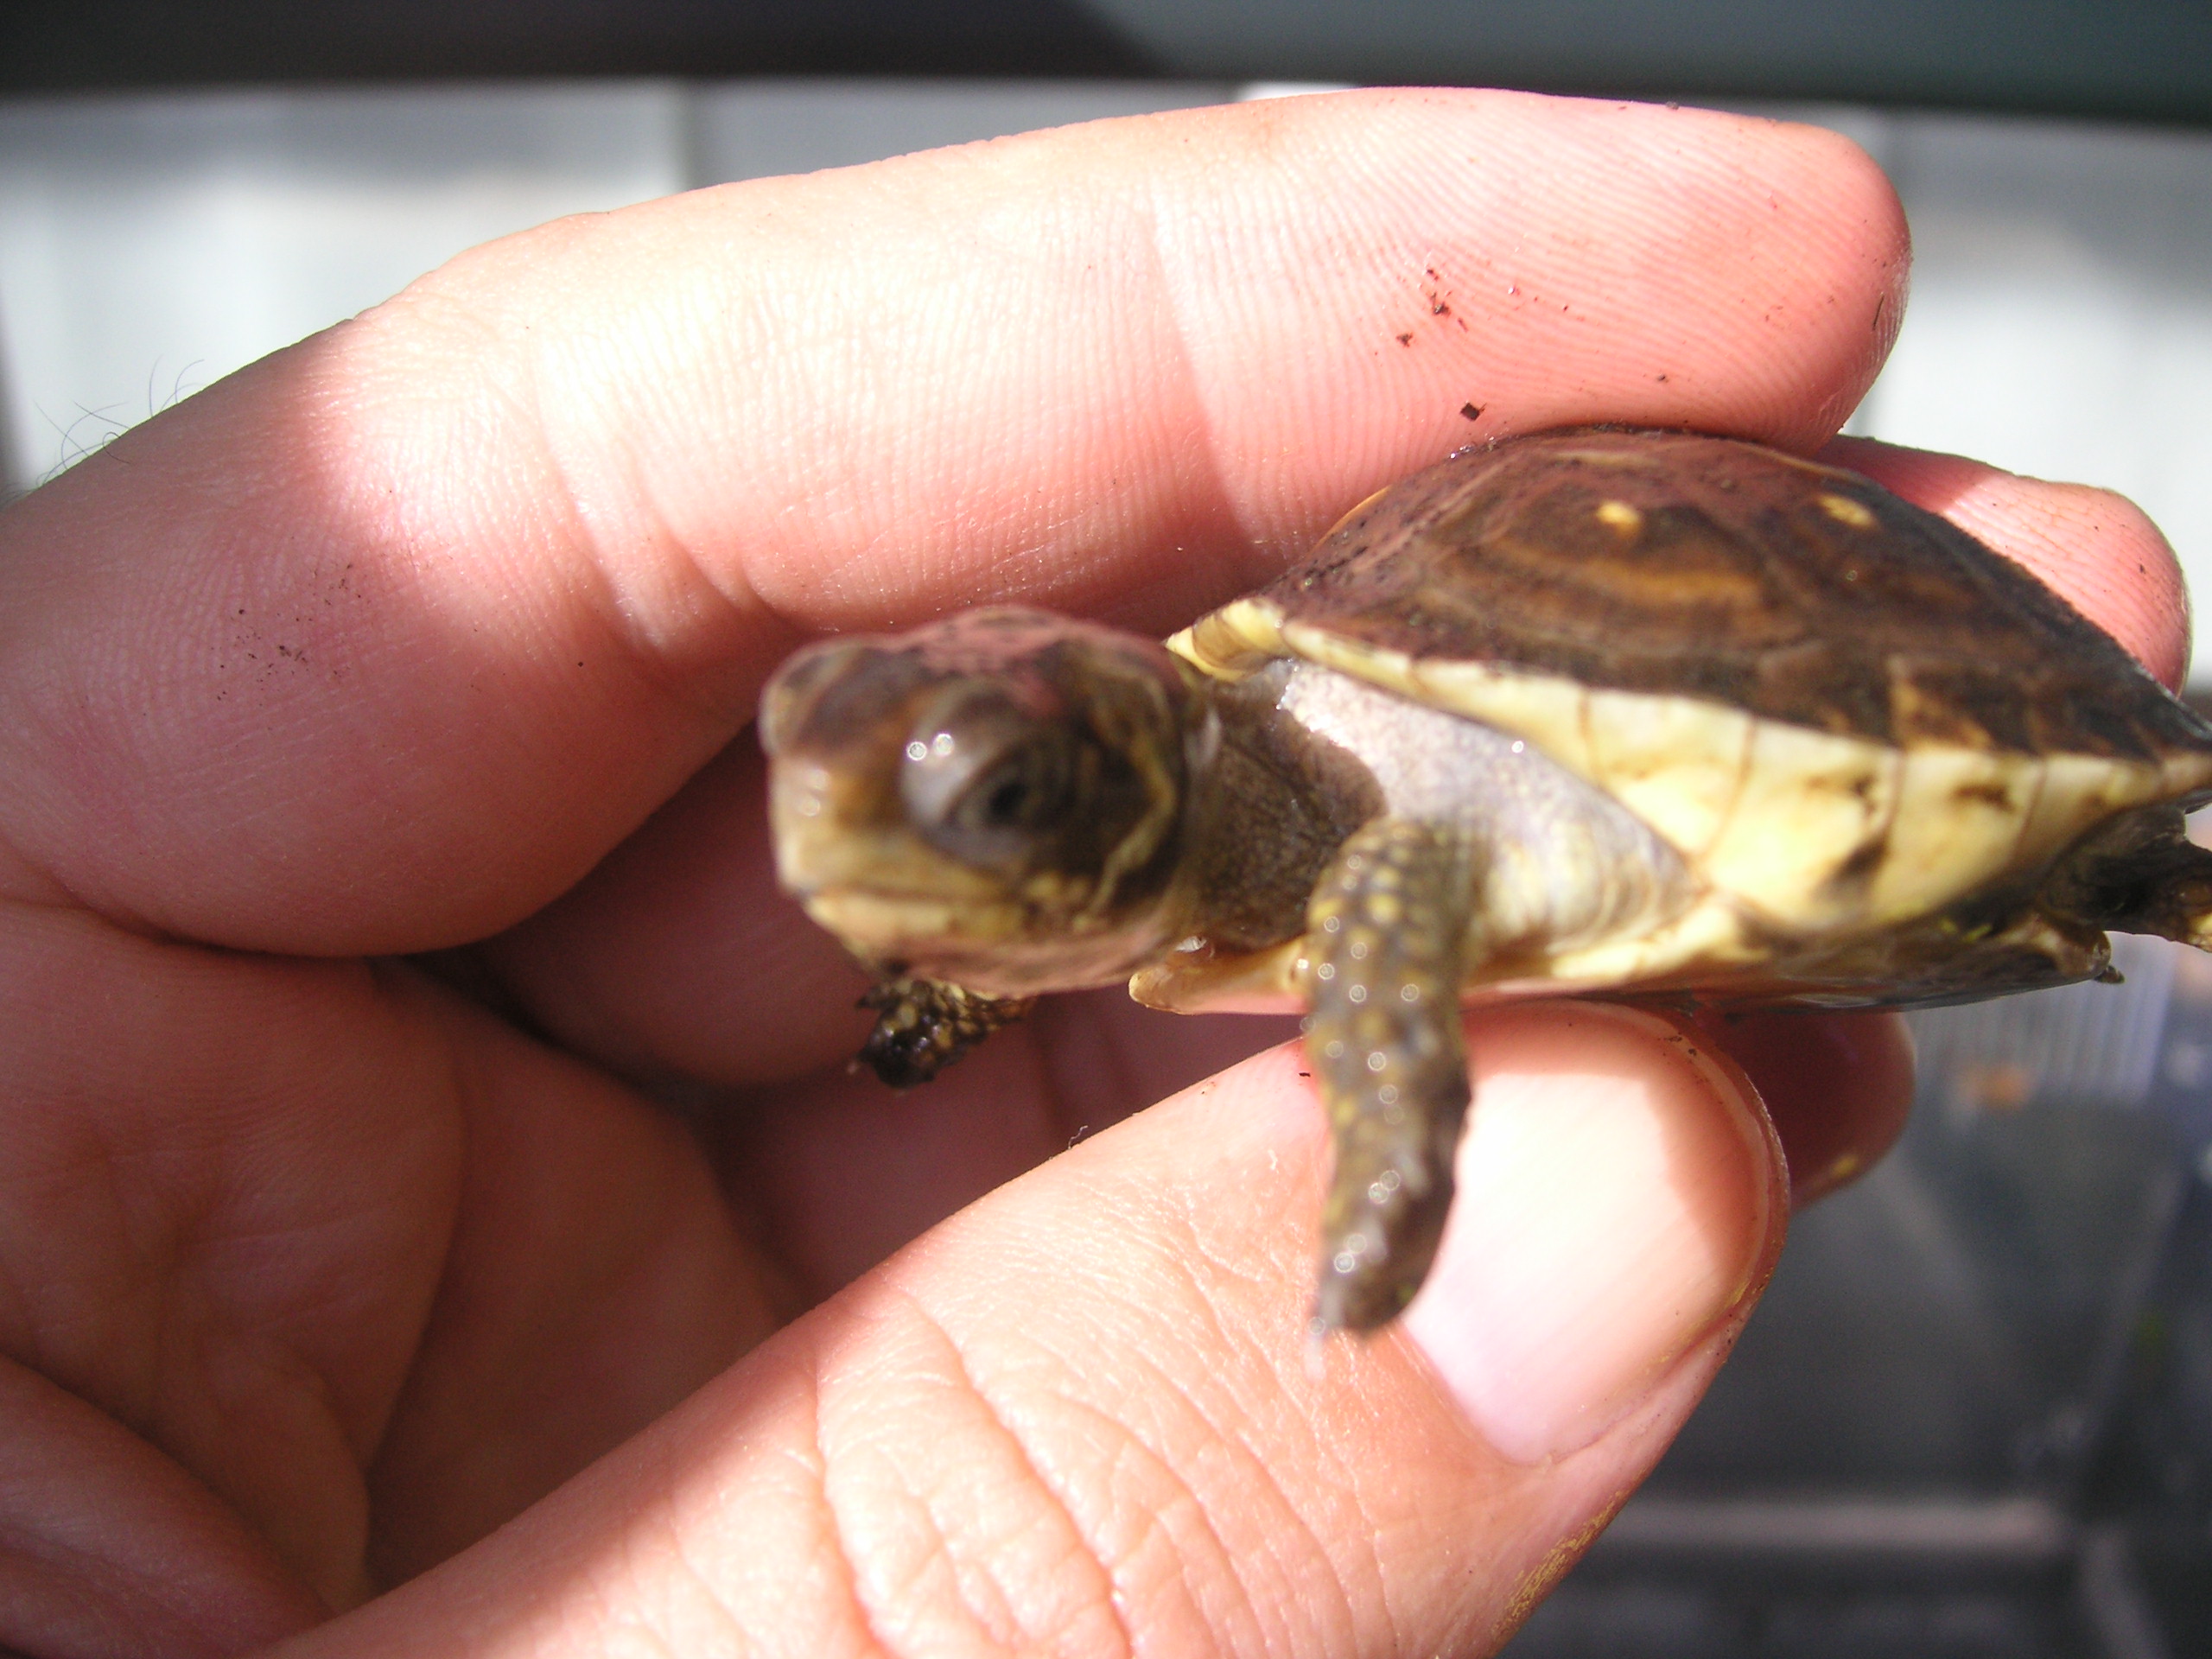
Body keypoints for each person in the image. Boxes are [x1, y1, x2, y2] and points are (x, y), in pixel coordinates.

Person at [0, 87, 2185, 1656]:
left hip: (1807, 730)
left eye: (993, 807)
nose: (830, 844)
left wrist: (1389, 1138)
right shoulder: (1138, 885)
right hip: (1782, 877)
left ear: (1135, 763)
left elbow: (1396, 893)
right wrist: (955, 964)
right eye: (814, 769)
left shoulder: (1353, 816)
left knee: (2123, 857)